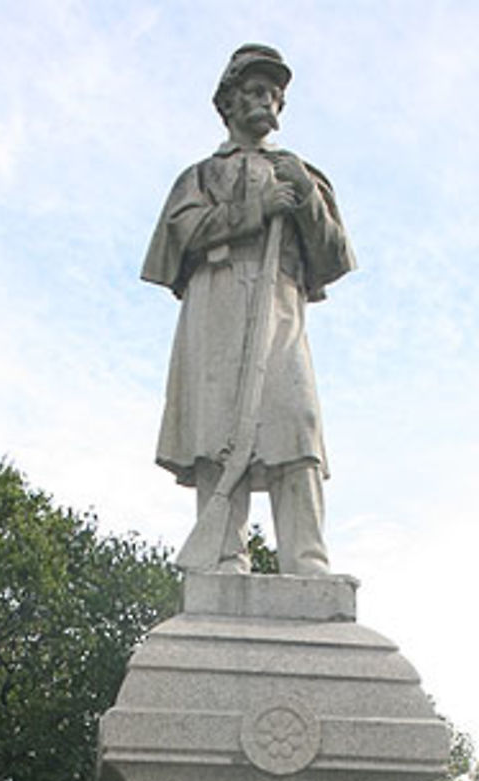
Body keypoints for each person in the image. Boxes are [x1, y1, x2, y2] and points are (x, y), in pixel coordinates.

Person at [142, 43, 356, 575]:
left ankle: (306, 558)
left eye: (276, 96)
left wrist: (304, 198)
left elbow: (332, 255)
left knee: (295, 422)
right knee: (219, 430)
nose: (268, 103)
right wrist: (256, 210)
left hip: (280, 306)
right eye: (256, 92)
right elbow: (183, 233)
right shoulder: (200, 177)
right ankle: (223, 555)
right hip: (216, 304)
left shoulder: (300, 173)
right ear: (230, 102)